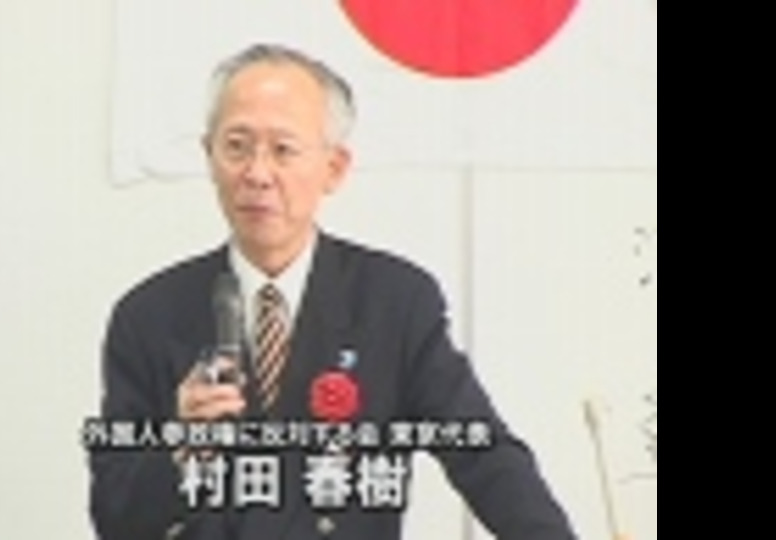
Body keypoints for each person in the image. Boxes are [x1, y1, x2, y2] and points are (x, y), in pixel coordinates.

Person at [89, 43, 576, 540]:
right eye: (236, 146)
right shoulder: (149, 315)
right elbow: (114, 516)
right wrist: (180, 447)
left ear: (334, 168)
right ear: (209, 157)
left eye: (283, 150)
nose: (257, 173)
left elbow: (485, 457)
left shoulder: (395, 302)